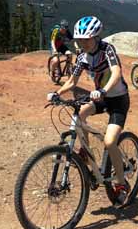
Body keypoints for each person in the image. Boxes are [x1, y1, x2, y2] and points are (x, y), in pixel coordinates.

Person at [47, 16, 131, 207]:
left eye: (86, 39)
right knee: (79, 115)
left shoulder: (107, 49)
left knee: (110, 142)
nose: (82, 43)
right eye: (79, 40)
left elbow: (116, 72)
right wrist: (57, 93)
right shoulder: (83, 56)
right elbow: (72, 80)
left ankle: (121, 183)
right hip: (99, 97)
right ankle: (85, 151)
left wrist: (103, 90)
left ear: (96, 37)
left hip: (117, 99)